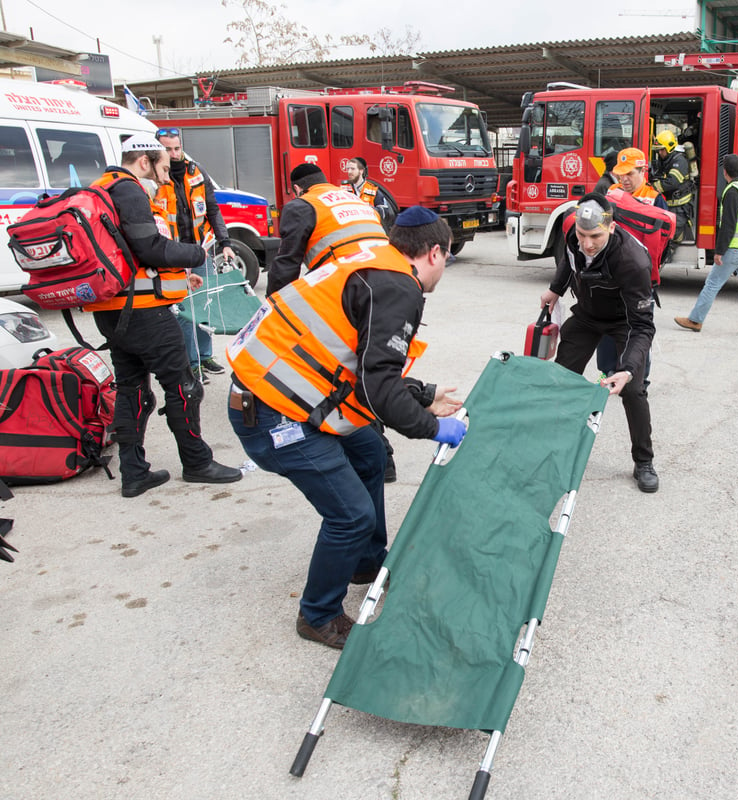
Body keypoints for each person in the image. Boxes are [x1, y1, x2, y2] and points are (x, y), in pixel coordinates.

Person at [226, 206, 465, 649]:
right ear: (435, 252)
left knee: (370, 454)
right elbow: (378, 390)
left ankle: (366, 562)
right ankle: (318, 615)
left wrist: (424, 392)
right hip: (271, 412)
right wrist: (434, 427)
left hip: (280, 393)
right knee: (351, 514)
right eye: (447, 260)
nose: (443, 270)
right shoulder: (399, 286)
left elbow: (358, 366)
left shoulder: (373, 260)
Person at [84, 133, 243, 497]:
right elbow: (150, 246)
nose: (165, 175)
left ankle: (134, 472)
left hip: (114, 311)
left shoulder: (101, 188)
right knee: (184, 386)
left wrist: (175, 274)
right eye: (162, 166)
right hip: (143, 313)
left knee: (132, 390)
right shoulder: (129, 190)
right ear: (144, 161)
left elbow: (130, 253)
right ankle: (197, 462)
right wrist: (194, 255)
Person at [538, 193, 658, 493]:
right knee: (561, 378)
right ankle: (554, 448)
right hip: (588, 315)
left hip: (624, 322)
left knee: (633, 389)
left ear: (612, 228)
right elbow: (570, 258)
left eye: (595, 236)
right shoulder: (572, 233)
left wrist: (628, 369)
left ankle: (643, 461)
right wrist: (555, 289)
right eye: (582, 235)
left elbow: (643, 326)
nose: (588, 243)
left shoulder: (633, 261)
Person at [153, 127, 236, 386]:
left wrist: (225, 242)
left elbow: (212, 209)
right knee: (183, 310)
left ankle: (206, 356)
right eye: (167, 149)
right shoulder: (155, 178)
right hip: (173, 253)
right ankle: (191, 363)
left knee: (205, 305)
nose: (174, 154)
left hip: (200, 249)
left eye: (177, 148)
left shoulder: (195, 171)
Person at [674, 154, 738, 339]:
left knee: (712, 283)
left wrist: (719, 251)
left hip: (735, 248)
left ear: (724, 172)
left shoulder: (732, 191)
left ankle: (695, 320)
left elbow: (728, 225)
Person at [596, 146, 667, 383]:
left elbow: (664, 241)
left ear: (643, 171)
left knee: (638, 328)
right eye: (621, 173)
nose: (624, 179)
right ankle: (608, 372)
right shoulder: (611, 194)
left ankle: (637, 378)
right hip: (611, 275)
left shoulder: (655, 199)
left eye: (630, 173)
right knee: (607, 325)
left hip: (640, 277)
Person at [266, 164, 388, 296]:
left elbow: (287, 265)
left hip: (354, 283)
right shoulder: (355, 199)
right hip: (393, 270)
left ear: (297, 189)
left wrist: (273, 303)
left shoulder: (303, 205)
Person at [650, 130, 695, 255]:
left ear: (669, 148)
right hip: (671, 205)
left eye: (661, 150)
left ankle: (669, 252)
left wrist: (652, 187)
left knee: (674, 232)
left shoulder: (679, 161)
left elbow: (672, 182)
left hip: (680, 206)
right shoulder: (666, 159)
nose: (659, 152)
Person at [344, 156, 397, 229]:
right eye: (348, 169)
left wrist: (367, 209)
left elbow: (385, 213)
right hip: (350, 230)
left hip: (369, 229)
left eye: (352, 169)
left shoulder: (373, 190)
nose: (349, 172)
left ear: (361, 171)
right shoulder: (343, 189)